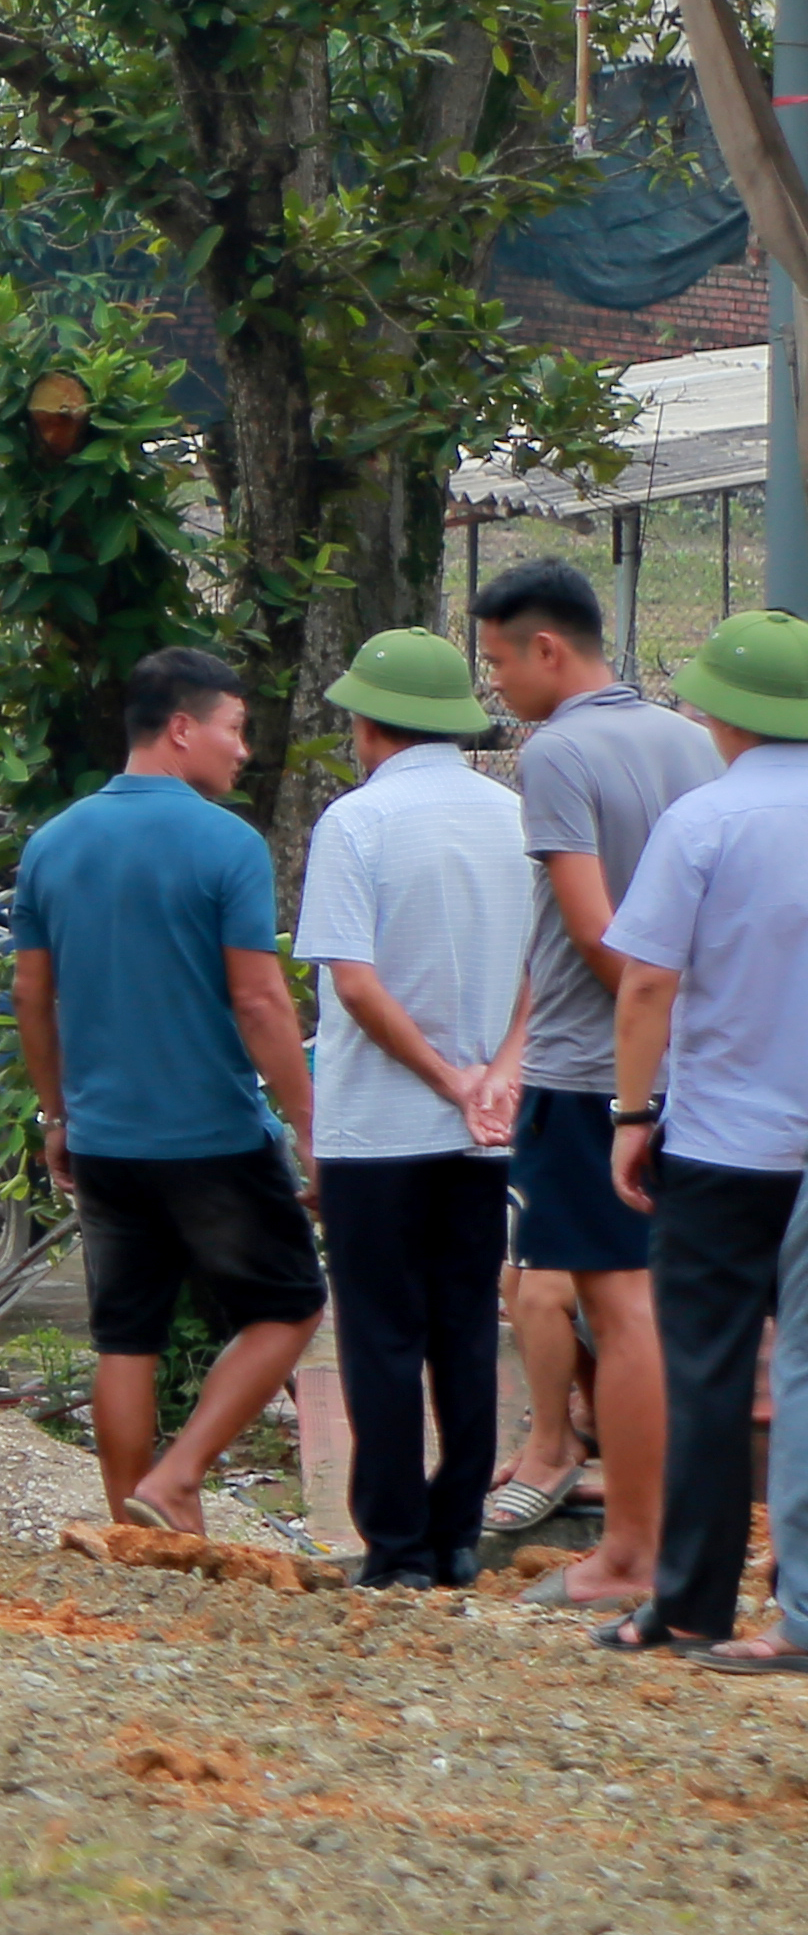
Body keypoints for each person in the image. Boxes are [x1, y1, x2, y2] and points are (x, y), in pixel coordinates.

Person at [10, 644, 323, 1533]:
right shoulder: (227, 844)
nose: (243, 750)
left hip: (104, 1137)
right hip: (211, 1133)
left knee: (125, 1337)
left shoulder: (53, 842)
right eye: (235, 729)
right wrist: (309, 1124)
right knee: (289, 1304)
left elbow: (33, 997)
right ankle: (177, 1478)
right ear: (182, 729)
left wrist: (56, 1113)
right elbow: (260, 998)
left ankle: (133, 1532)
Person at [470, 556, 702, 1610]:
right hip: (693, 1063)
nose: (497, 688)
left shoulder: (556, 753)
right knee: (665, 1304)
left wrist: (648, 1019)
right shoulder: (690, 740)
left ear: (547, 649)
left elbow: (598, 928)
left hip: (589, 1066)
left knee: (620, 1308)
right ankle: (662, 1543)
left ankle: (629, 1553)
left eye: (498, 663)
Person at [289, 628, 534, 1589]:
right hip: (484, 1134)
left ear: (369, 723)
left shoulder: (355, 824)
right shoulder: (515, 817)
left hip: (376, 1129)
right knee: (467, 1326)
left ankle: (394, 1551)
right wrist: (495, 1077)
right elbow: (539, 975)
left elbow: (352, 983)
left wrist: (441, 1078)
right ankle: (458, 1535)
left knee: (383, 1336)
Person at [591, 607, 808, 1670]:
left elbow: (646, 985)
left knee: (712, 1374)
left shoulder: (706, 821)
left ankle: (688, 1604)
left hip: (724, 1145)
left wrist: (633, 1116)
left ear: (724, 712)